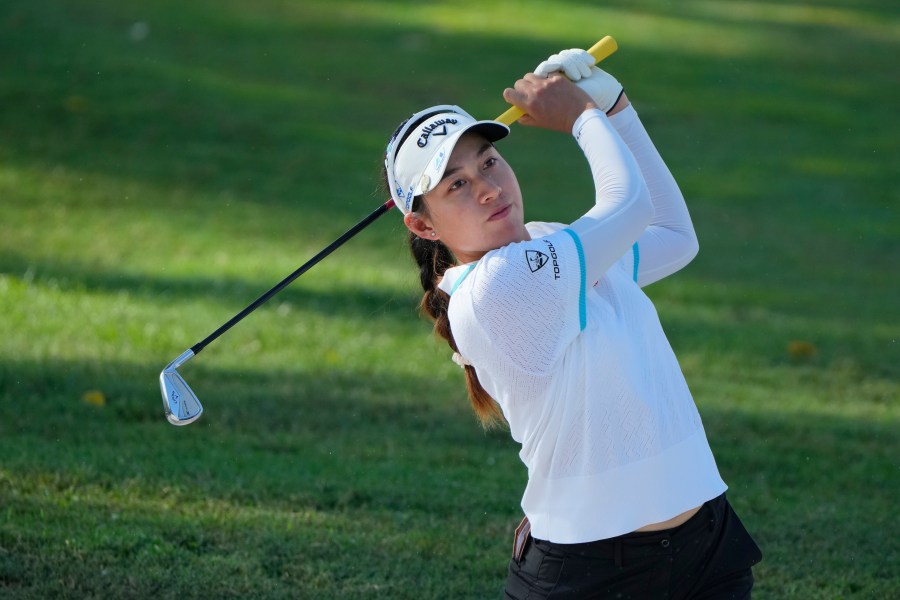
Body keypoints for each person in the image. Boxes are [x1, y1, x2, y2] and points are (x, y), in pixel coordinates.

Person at [383, 48, 762, 599]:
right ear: (422, 223)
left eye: (488, 162)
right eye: (455, 186)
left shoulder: (547, 241)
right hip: (592, 574)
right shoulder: (495, 287)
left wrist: (617, 109)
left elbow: (675, 237)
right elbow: (628, 207)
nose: (487, 187)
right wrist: (584, 117)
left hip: (706, 544)